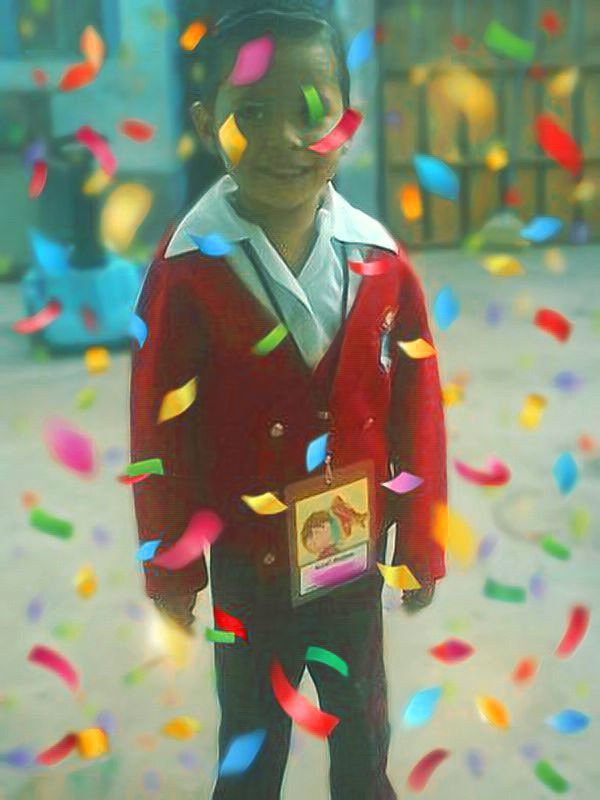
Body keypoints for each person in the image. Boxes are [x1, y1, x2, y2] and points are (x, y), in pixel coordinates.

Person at [129, 2, 447, 798]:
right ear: (208, 123)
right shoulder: (187, 272)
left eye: (310, 110)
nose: (283, 139)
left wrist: (421, 538)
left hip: (352, 558)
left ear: (347, 122)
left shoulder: (381, 263)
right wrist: (172, 569)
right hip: (247, 561)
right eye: (251, 114)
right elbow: (159, 433)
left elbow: (418, 410)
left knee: (362, 733)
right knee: (251, 742)